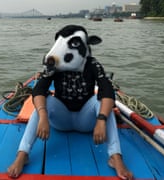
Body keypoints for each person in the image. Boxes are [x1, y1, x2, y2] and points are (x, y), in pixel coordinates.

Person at [7, 25, 133, 180]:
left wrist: (101, 119)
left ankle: (115, 156)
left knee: (103, 104)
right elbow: (39, 89)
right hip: (62, 119)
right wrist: (43, 115)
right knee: (43, 103)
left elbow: (107, 90)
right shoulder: (55, 66)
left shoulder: (92, 64)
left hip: (86, 120)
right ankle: (23, 154)